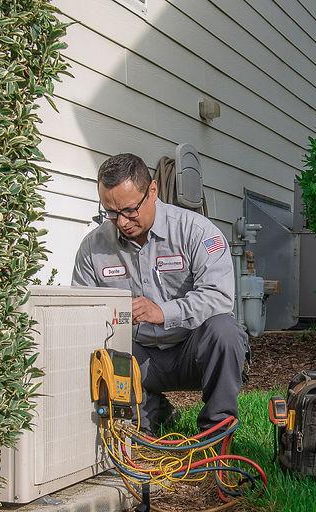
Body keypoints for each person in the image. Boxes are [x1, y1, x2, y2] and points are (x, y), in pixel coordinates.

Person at [72, 153, 249, 433]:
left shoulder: (196, 231)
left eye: (129, 210)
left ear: (152, 191)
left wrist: (163, 312)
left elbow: (219, 297)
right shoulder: (93, 247)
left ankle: (216, 431)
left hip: (191, 350)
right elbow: (81, 314)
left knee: (225, 331)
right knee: (94, 355)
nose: (121, 222)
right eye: (111, 212)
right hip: (135, 355)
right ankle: (153, 412)